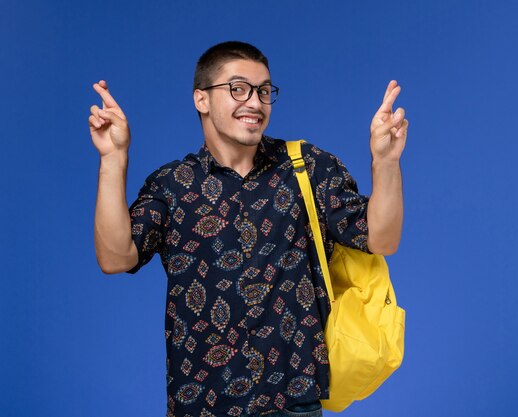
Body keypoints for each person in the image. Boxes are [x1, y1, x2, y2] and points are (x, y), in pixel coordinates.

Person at [88, 41, 407, 417]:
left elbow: (381, 238)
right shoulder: (173, 185)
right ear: (201, 100)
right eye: (237, 89)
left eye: (264, 90)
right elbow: (114, 257)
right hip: (200, 406)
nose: (255, 102)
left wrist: (385, 162)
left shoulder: (307, 167)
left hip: (293, 405)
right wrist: (113, 159)